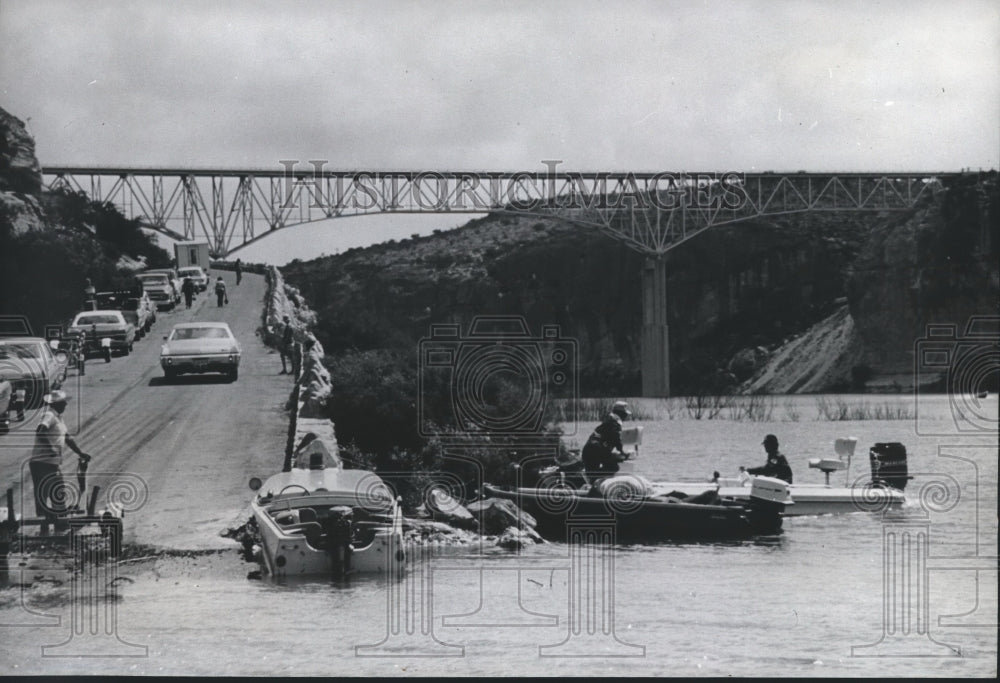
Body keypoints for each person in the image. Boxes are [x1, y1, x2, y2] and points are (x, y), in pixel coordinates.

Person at [30, 390, 92, 535]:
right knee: (44, 494)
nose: (65, 404)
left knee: (58, 492)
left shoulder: (59, 418)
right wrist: (50, 447)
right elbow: (40, 431)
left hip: (52, 463)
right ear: (56, 404)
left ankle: (60, 525)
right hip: (41, 462)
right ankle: (44, 527)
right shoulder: (49, 415)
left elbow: (68, 438)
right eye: (63, 402)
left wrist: (80, 453)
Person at [581, 401, 632, 481]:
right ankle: (598, 480)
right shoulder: (616, 420)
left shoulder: (608, 418)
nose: (625, 417)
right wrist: (622, 451)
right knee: (613, 467)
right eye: (625, 414)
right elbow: (616, 437)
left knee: (592, 476)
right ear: (621, 413)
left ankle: (592, 478)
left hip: (588, 448)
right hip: (597, 448)